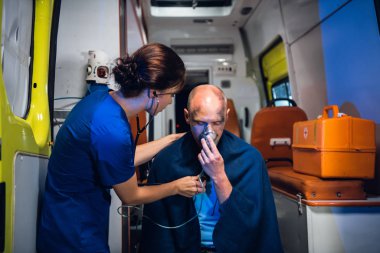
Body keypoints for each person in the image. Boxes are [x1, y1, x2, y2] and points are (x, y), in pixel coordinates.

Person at [37, 43, 205, 253]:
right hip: (73, 231)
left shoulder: (103, 100)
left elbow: (121, 158)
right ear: (154, 92)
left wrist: (171, 139)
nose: (171, 102)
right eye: (171, 94)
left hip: (65, 217)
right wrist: (176, 187)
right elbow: (131, 196)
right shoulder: (112, 129)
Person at [140, 85, 283, 253]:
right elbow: (159, 233)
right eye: (200, 123)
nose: (209, 133)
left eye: (216, 123)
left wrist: (219, 175)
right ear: (187, 117)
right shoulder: (167, 160)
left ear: (226, 116)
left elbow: (253, 225)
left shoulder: (249, 159)